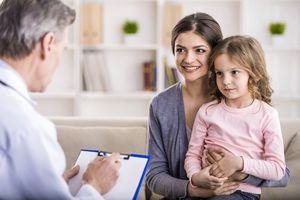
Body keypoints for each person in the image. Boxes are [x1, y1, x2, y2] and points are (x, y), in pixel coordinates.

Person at [146, 12, 290, 199]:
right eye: (180, 49)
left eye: (199, 50)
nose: (188, 59)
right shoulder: (161, 105)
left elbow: (282, 176)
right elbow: (154, 176)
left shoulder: (239, 101)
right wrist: (192, 188)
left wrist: (239, 171)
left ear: (215, 53)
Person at [0, 0, 120, 199]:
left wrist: (51, 186)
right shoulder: (27, 128)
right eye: (63, 49)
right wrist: (94, 187)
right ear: (47, 44)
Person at [185, 35, 286, 200]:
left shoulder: (267, 115)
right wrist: (196, 177)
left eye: (234, 72)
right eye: (219, 73)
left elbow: (277, 169)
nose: (226, 81)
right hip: (204, 190)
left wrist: (238, 163)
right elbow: (193, 155)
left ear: (255, 74)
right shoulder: (207, 111)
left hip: (242, 193)